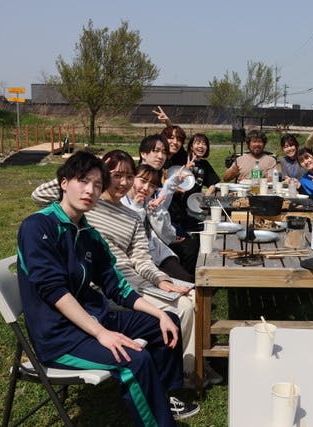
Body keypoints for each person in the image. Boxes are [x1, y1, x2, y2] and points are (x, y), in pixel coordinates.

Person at [17, 151, 198, 425]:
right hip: (61, 337)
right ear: (64, 183)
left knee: (167, 323)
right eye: (82, 181)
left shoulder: (88, 233)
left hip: (95, 318)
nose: (90, 190)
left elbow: (116, 285)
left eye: (97, 184)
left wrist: (159, 313)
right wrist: (102, 333)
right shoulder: (38, 226)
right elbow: (54, 291)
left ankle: (163, 396)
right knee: (135, 360)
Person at [123, 164, 195, 283]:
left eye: (152, 186)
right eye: (143, 181)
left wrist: (155, 212)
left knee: (187, 277)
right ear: (132, 178)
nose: (146, 188)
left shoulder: (150, 202)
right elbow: (129, 233)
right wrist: (137, 207)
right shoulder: (121, 202)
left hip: (156, 251)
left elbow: (167, 235)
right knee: (180, 281)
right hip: (136, 258)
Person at [277, 112, 313, 182]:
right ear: (282, 149)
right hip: (296, 186)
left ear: (296, 145)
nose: (289, 149)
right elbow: (285, 178)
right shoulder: (283, 160)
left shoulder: (304, 155)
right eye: (286, 147)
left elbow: (309, 140)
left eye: (291, 145)